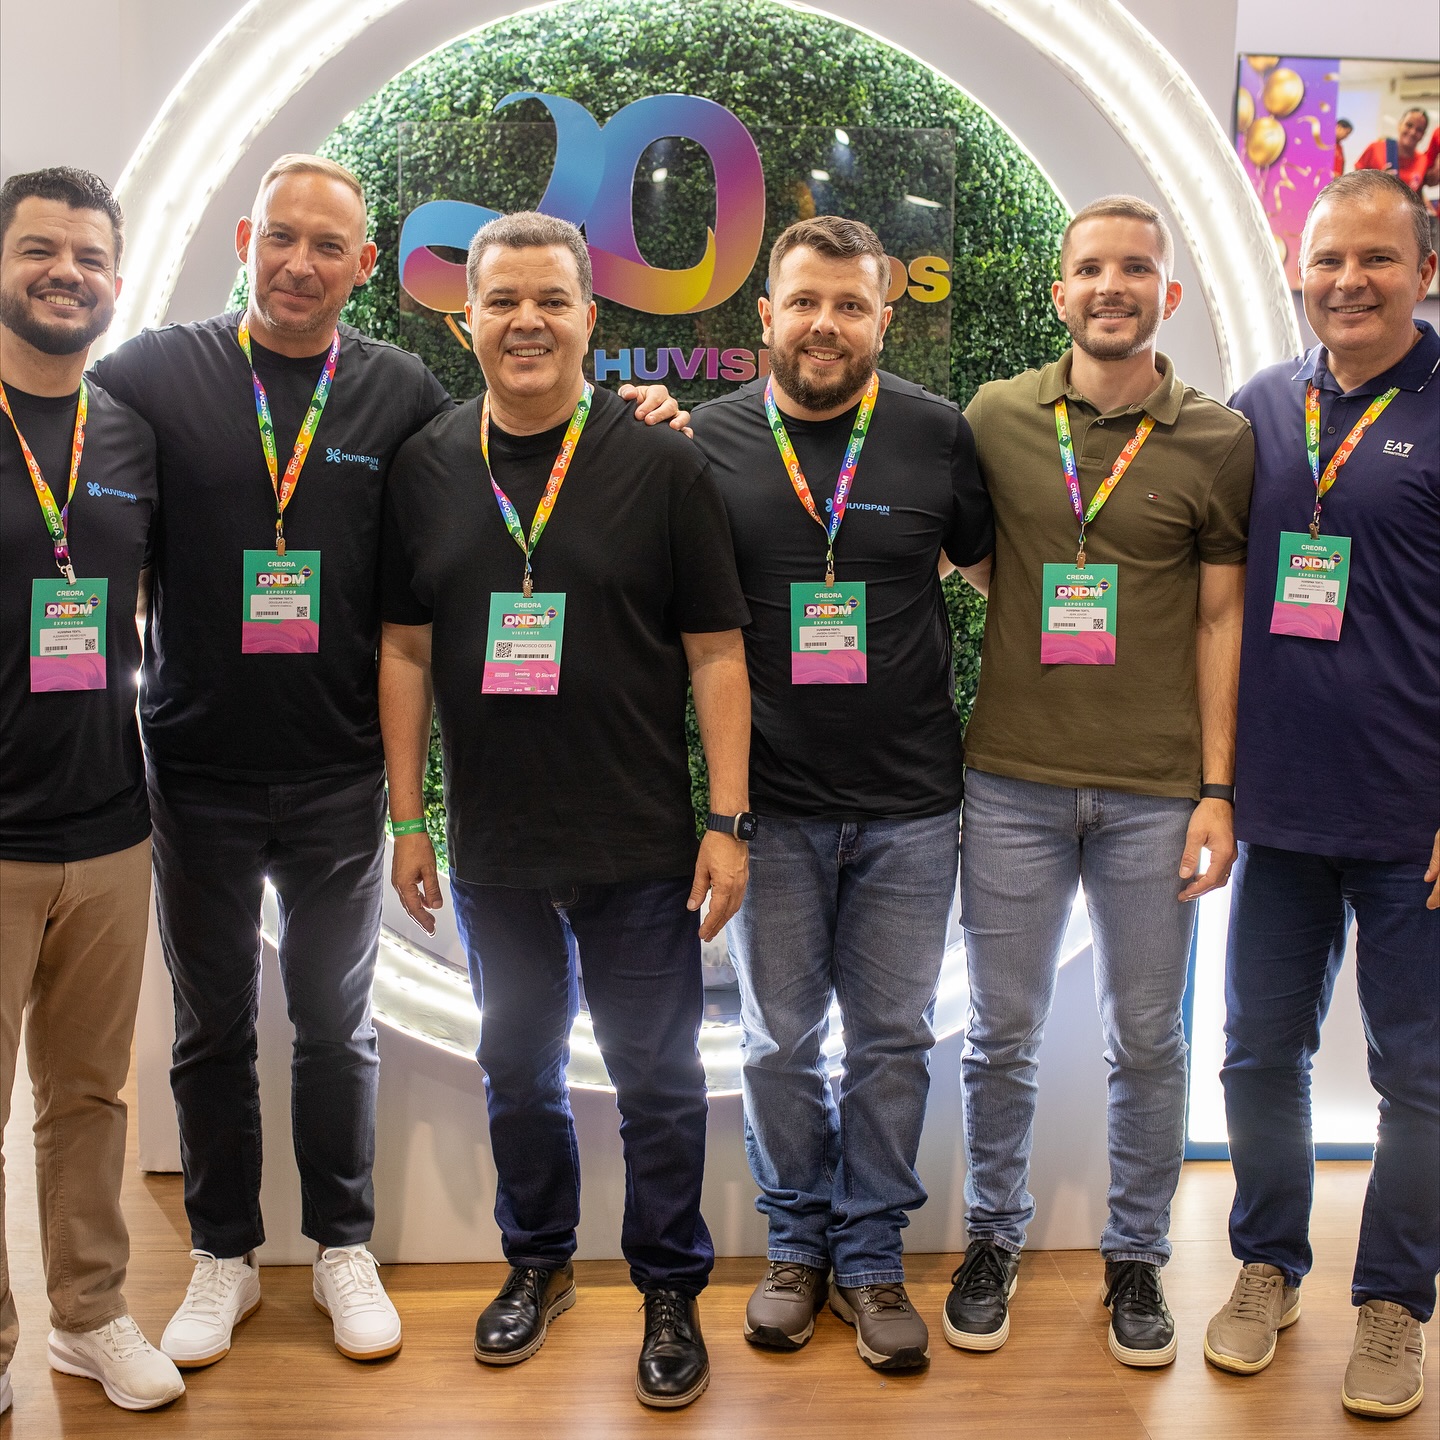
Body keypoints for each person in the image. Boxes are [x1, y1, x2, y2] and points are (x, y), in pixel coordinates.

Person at [87, 154, 688, 1371]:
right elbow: (63, 454)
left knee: (335, 1023)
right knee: (209, 1028)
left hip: (339, 774)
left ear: (366, 267)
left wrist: (643, 414)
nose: (300, 264)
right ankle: (223, 1254)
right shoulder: (151, 372)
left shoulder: (400, 392)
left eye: (330, 247)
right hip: (193, 767)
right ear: (247, 239)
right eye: (283, 238)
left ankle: (342, 1246)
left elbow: (516, 447)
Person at [379, 211, 752, 1410]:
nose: (527, 322)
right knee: (516, 1068)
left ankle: (669, 1291)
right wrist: (409, 818)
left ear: (593, 317)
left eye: (552, 300)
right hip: (495, 845)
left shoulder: (663, 462)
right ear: (467, 321)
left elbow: (717, 653)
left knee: (658, 1083)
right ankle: (538, 1265)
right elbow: (402, 649)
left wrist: (728, 821)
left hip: (639, 843)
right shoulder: (428, 463)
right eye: (503, 301)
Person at [949, 196, 1253, 1367]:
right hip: (1012, 781)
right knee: (1001, 1036)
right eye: (1090, 269)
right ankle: (992, 1240)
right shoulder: (996, 416)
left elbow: (1220, 621)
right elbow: (979, 558)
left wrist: (1216, 787)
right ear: (1060, 291)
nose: (1110, 287)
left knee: (1148, 1041)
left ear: (1167, 294)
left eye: (1135, 269)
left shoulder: (1218, 439)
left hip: (1154, 794)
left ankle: (1135, 1256)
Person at [687, 216, 993, 1371]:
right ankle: (795, 1245)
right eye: (805, 302)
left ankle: (869, 1256)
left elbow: (988, 572)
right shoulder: (706, 442)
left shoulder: (937, 435)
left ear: (883, 320)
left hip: (912, 803)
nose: (826, 325)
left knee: (892, 1042)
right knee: (776, 1041)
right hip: (771, 806)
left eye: (851, 305)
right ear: (764, 314)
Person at [1205, 170, 1439, 1422]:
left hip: (1415, 823)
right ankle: (1267, 1264)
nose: (1348, 281)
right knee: (1258, 1054)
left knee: (1422, 1078)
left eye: (1377, 259)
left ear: (1424, 272)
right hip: (1281, 812)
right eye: (1328, 259)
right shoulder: (1263, 405)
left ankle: (1395, 1300)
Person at [0, 167, 184, 1413]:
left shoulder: (124, 433)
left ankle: (90, 1316)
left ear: (117, 278)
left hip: (112, 825)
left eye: (88, 256)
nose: (66, 272)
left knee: (89, 1097)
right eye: (38, 250)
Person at [1354, 109, 1430, 192]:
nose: (1412, 132)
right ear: (1400, 125)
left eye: (1419, 130)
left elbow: (1417, 193)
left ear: (1423, 134)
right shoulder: (1375, 148)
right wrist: (1378, 182)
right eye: (1409, 125)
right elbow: (1355, 182)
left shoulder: (1423, 160)